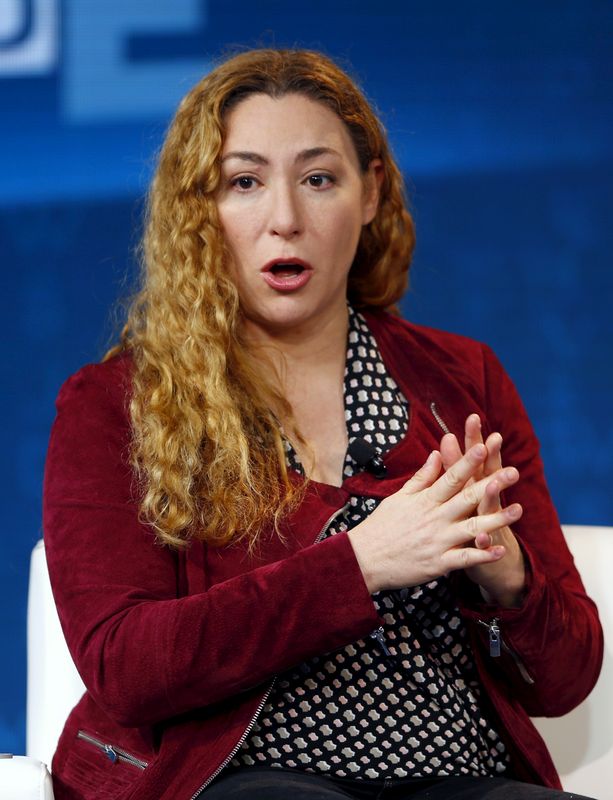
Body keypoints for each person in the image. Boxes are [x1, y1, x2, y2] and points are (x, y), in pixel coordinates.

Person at [43, 49, 602, 800]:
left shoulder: (461, 380)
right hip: (238, 775)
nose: (285, 219)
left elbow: (564, 680)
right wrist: (360, 562)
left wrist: (509, 582)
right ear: (198, 209)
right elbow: (126, 668)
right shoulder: (116, 401)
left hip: (451, 768)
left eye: (318, 179)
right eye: (244, 183)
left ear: (369, 193)